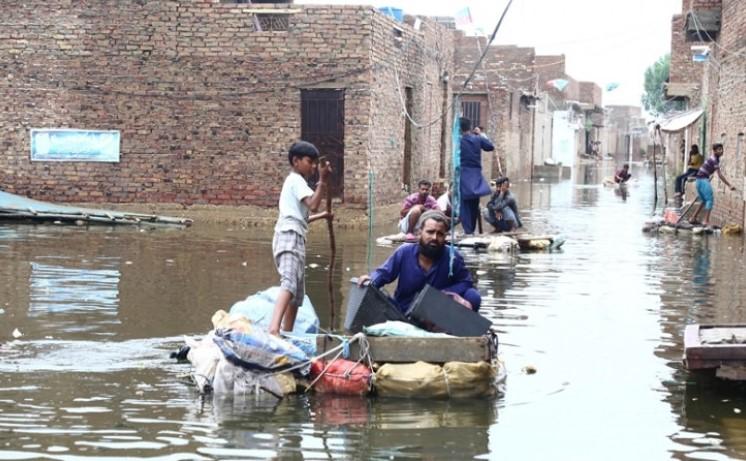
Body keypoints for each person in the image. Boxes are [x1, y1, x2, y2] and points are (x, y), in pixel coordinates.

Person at [358, 210, 481, 313]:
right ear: (419, 233)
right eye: (430, 232)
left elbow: (466, 283)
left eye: (440, 234)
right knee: (375, 295)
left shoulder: (453, 257)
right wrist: (371, 280)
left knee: (473, 296)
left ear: (445, 237)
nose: (434, 238)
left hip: (436, 314)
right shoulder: (404, 252)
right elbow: (384, 274)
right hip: (403, 311)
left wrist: (444, 294)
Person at [268, 141, 333, 336]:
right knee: (289, 283)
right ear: (296, 161)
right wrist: (322, 180)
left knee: (297, 294)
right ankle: (274, 329)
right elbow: (313, 204)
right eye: (309, 161)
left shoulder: (298, 183)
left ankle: (287, 332)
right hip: (288, 235)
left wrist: (323, 216)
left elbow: (303, 216)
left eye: (315, 163)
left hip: (296, 235)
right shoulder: (295, 180)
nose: (313, 166)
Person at [459, 117, 495, 236]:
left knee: (464, 203)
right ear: (470, 127)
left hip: (464, 173)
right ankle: (471, 230)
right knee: (474, 203)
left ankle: (468, 231)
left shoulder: (458, 140)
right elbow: (490, 147)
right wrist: (482, 134)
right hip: (475, 174)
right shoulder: (478, 139)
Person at [689, 143, 737, 228]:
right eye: (719, 149)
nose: (721, 151)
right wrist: (729, 185)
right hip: (703, 180)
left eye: (722, 149)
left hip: (699, 180)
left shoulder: (714, 159)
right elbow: (720, 175)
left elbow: (707, 169)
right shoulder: (714, 160)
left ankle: (693, 218)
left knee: (704, 200)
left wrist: (708, 175)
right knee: (710, 200)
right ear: (714, 151)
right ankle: (706, 221)